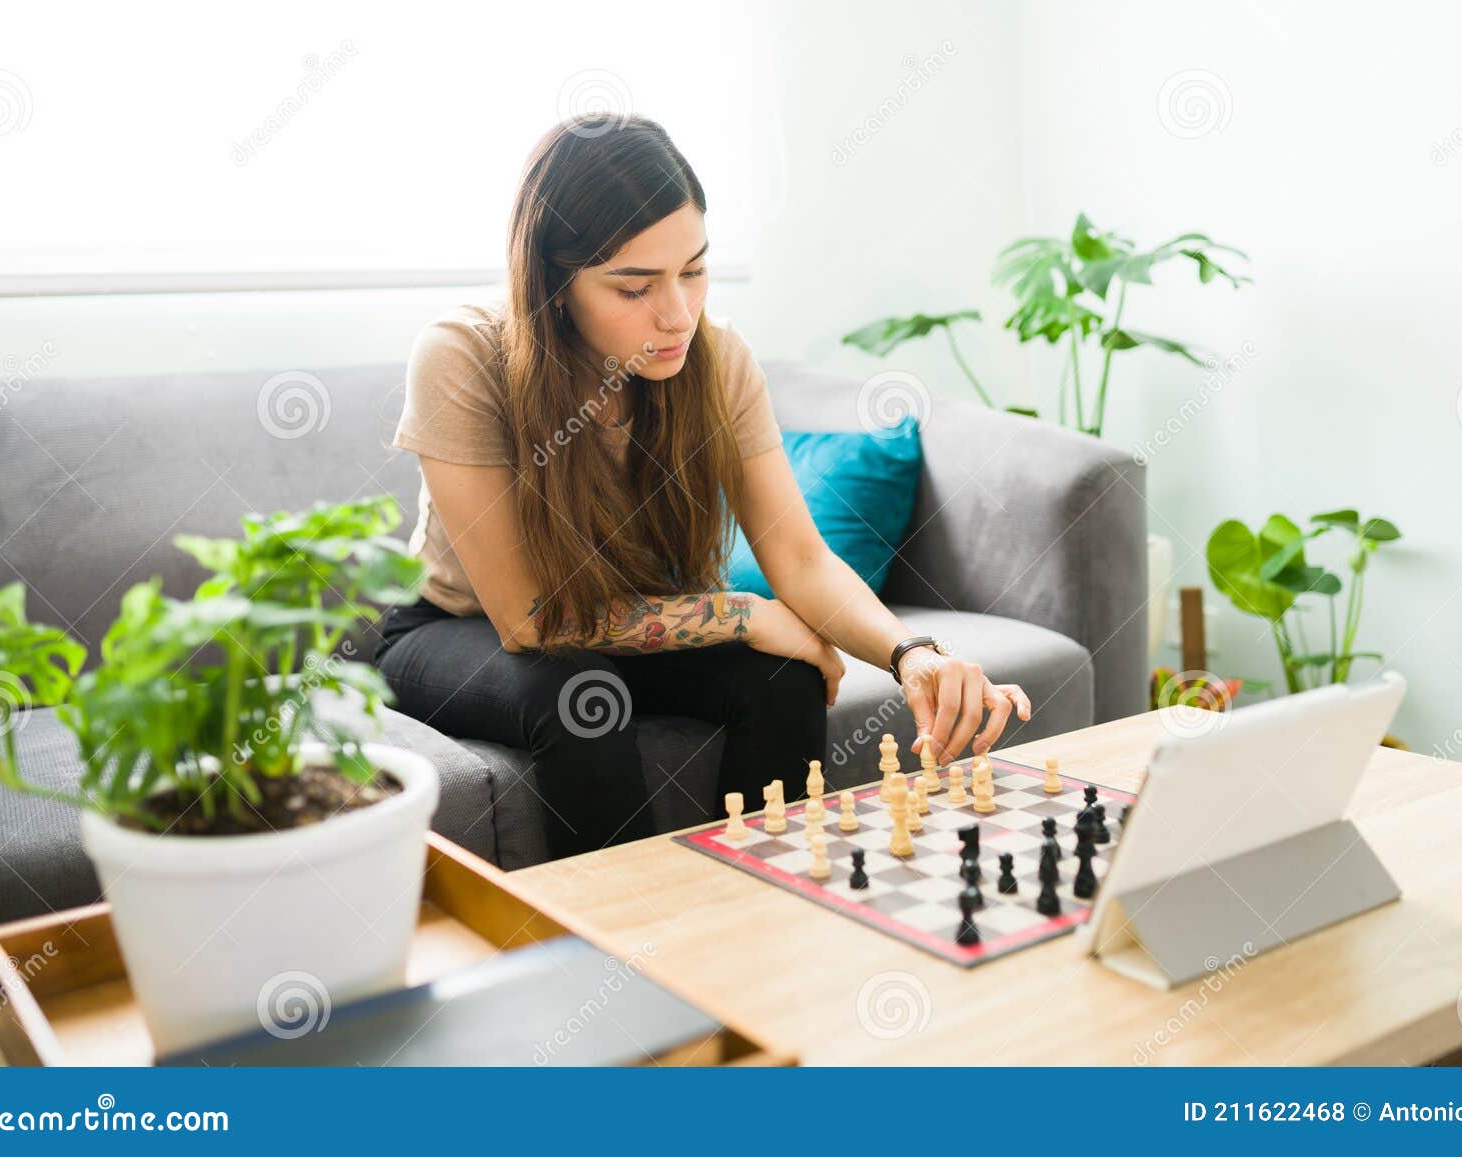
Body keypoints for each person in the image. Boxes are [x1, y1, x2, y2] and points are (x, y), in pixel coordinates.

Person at [373, 113, 1032, 859]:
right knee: (578, 692)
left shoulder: (718, 361)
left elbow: (800, 556)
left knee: (784, 674)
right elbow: (530, 620)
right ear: (555, 285)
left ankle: (763, 912)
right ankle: (618, 950)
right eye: (634, 287)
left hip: (621, 627)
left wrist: (914, 653)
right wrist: (745, 614)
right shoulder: (462, 356)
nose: (678, 313)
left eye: (694, 270)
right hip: (460, 629)